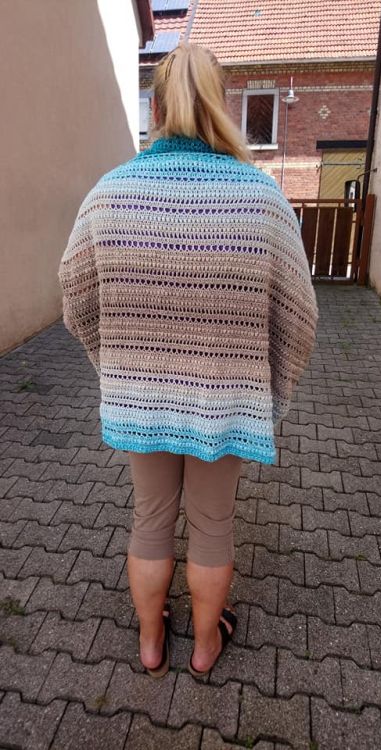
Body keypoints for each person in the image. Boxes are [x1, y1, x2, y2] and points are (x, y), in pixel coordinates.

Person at [58, 43, 318, 679]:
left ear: (156, 108)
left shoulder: (108, 194)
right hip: (225, 401)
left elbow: (75, 294)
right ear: (220, 105)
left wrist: (114, 366)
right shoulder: (262, 198)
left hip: (141, 397)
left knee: (150, 519)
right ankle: (204, 648)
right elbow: (300, 313)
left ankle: (151, 644)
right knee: (212, 525)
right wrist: (268, 388)